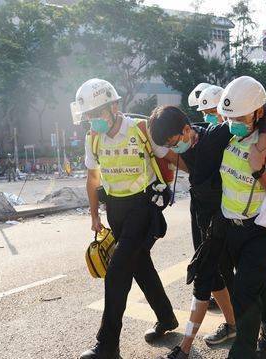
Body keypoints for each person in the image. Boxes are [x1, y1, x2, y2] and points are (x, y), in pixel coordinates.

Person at [72, 79, 179, 359]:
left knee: (117, 272)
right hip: (115, 210)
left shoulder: (141, 130)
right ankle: (167, 318)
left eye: (98, 113)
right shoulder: (92, 138)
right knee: (140, 265)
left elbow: (170, 156)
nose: (94, 120)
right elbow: (93, 177)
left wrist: (203, 172)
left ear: (114, 106)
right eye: (89, 116)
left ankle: (107, 346)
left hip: (143, 207)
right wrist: (95, 215)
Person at [217, 76, 266, 359]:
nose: (233, 121)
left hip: (263, 230)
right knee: (263, 289)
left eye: (240, 116)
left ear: (258, 112)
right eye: (230, 116)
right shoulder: (231, 136)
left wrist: (259, 171)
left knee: (244, 294)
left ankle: (243, 353)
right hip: (235, 228)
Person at [149, 106, 237, 359]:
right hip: (200, 214)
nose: (171, 148)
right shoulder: (186, 143)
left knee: (206, 275)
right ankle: (233, 326)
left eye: (172, 142)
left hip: (223, 217)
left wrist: (262, 135)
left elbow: (260, 107)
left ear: (186, 130)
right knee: (214, 273)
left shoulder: (215, 135)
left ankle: (186, 347)